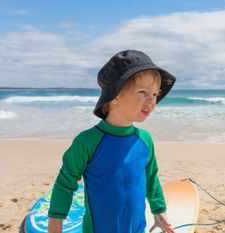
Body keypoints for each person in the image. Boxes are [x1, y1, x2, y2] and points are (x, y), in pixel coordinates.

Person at [47, 50, 176, 233]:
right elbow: (65, 183)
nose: (151, 100)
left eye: (154, 94)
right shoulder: (88, 141)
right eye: (142, 92)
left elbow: (151, 177)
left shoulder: (145, 140)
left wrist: (159, 211)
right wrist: (55, 227)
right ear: (114, 99)